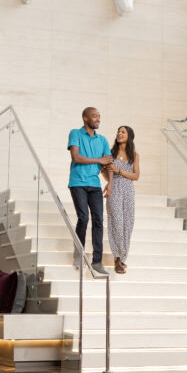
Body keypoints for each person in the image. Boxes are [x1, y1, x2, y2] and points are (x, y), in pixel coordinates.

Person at [67, 107, 113, 275]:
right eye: (94, 116)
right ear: (85, 118)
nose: (98, 119)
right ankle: (78, 254)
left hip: (94, 184)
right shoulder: (75, 134)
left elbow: (108, 163)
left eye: (99, 117)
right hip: (77, 182)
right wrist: (98, 159)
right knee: (83, 217)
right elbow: (76, 157)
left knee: (99, 220)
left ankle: (97, 262)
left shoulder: (102, 140)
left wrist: (111, 183)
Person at [102, 126, 140, 274]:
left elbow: (136, 176)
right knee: (116, 221)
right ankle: (117, 257)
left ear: (129, 136)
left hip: (128, 190)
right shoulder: (110, 154)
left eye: (123, 131)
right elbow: (106, 175)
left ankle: (123, 257)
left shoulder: (134, 155)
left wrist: (120, 171)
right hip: (115, 188)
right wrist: (108, 176)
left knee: (128, 223)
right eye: (118, 131)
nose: (119, 133)